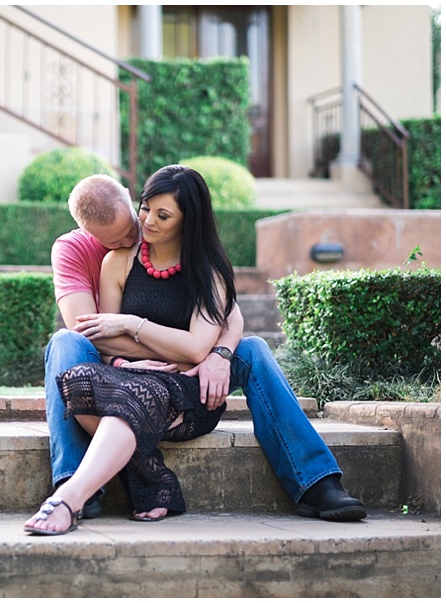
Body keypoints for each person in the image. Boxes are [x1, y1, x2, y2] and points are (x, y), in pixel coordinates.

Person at [25, 169, 364, 536]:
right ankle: (75, 481)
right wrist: (137, 359)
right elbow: (93, 333)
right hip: (129, 371)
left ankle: (316, 481)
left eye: (150, 216)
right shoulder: (90, 254)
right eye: (139, 218)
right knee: (64, 343)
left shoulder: (197, 258)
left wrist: (215, 354)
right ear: (91, 234)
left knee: (253, 348)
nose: (138, 231)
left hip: (188, 371)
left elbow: (228, 318)